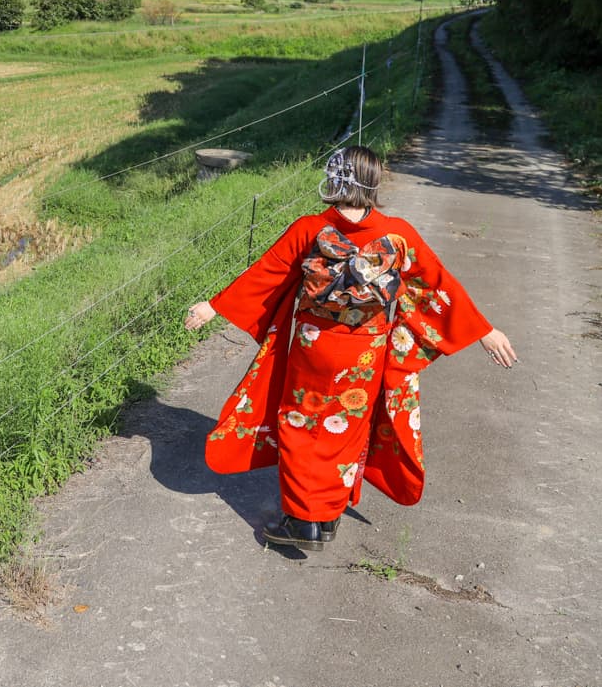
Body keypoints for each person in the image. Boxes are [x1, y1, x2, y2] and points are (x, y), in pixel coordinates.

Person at [184, 146, 517, 551]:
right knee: (346, 429)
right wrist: (484, 331)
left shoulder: (309, 229)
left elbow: (267, 274)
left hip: (315, 344)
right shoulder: (398, 234)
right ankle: (325, 519)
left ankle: (303, 522)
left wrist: (214, 306)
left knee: (301, 423)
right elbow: (438, 285)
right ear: (374, 181)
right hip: (365, 350)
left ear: (335, 180)